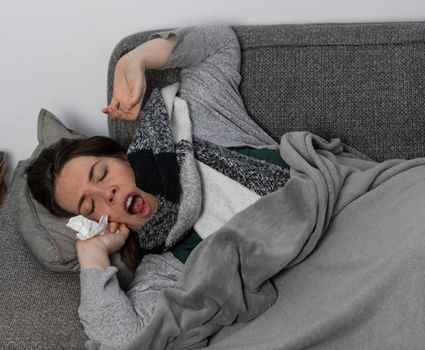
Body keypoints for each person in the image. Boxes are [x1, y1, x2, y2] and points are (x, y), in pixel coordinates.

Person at [25, 25, 289, 347]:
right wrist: (92, 257)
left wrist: (137, 59)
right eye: (91, 206)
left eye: (102, 174)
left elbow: (219, 43)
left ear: (124, 156)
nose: (106, 194)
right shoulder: (164, 268)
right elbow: (125, 340)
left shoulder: (194, 124)